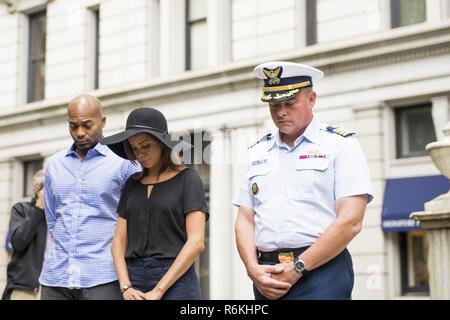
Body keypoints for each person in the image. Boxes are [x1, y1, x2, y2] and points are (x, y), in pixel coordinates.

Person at [232, 61, 373, 300]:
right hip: (268, 274)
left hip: (321, 271)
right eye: (274, 104)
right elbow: (245, 219)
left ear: (311, 99)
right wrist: (252, 268)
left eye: (290, 102)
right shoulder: (257, 151)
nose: (281, 111)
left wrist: (298, 267)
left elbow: (350, 221)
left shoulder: (340, 145)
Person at [100, 107, 208, 300]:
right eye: (134, 148)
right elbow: (118, 242)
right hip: (133, 280)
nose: (140, 153)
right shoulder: (131, 184)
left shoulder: (188, 179)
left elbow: (196, 242)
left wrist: (159, 290)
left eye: (146, 145)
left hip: (177, 279)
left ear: (161, 143)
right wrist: (126, 287)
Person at [39, 94, 139, 300]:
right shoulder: (54, 164)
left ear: (103, 121)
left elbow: (136, 221)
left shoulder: (124, 163)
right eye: (73, 126)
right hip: (56, 279)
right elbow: (52, 218)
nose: (80, 133)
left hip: (103, 278)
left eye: (87, 125)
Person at [1, 170, 47, 300]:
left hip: (54, 288)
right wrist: (39, 207)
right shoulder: (21, 209)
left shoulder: (58, 214)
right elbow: (19, 243)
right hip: (25, 289)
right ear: (38, 189)